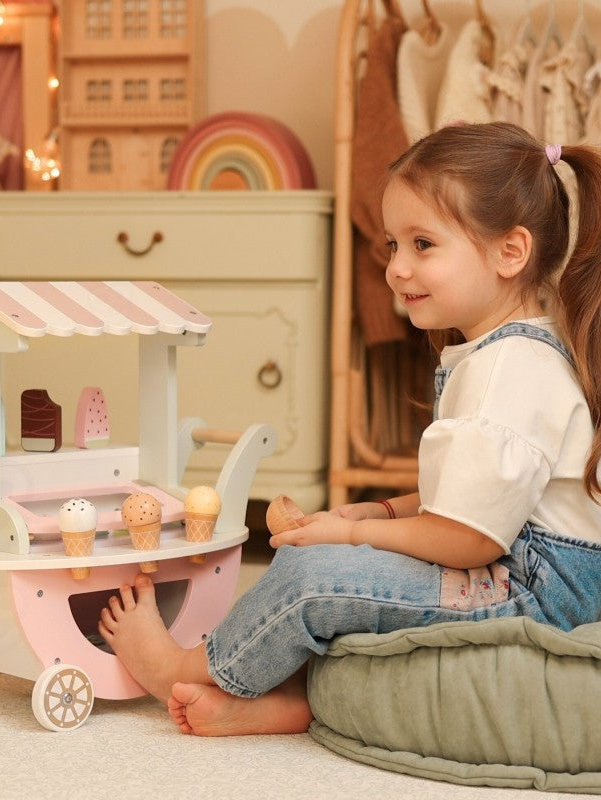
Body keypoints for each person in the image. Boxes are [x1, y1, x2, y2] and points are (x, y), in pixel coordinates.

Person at [99, 121, 601, 737]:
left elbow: (472, 539)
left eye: (422, 245)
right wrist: (382, 514)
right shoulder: (501, 353)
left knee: (316, 578)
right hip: (516, 565)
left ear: (510, 252)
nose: (396, 268)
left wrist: (349, 537)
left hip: (536, 592)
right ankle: (287, 696)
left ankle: (184, 667)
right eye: (393, 245)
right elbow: (477, 499)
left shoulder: (507, 372)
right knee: (356, 568)